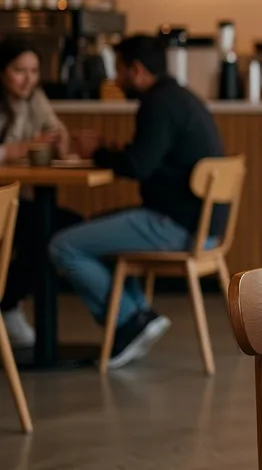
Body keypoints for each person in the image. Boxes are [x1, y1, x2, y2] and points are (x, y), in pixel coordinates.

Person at [48, 35, 226, 369]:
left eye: (119, 70)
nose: (116, 80)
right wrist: (113, 149)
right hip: (204, 227)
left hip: (175, 226)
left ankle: (131, 319)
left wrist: (96, 152)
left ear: (137, 70)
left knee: (64, 245)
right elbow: (149, 157)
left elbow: (137, 166)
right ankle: (137, 317)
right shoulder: (182, 97)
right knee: (97, 228)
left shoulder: (157, 104)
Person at [0, 37, 79, 348]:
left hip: (14, 200)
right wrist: (15, 149)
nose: (28, 79)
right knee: (45, 230)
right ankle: (7, 305)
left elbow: (57, 134)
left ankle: (7, 302)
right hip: (5, 202)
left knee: (63, 227)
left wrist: (61, 141)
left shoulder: (36, 98)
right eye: (20, 70)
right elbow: (22, 147)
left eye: (34, 71)